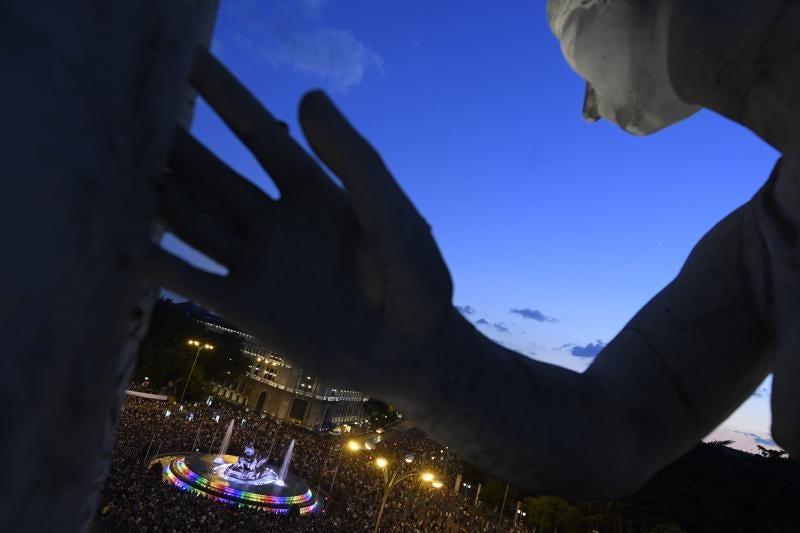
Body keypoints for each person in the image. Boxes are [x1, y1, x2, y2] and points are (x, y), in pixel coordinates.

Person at [145, 0, 800, 497]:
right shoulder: (778, 226)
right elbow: (617, 432)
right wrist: (431, 368)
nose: (590, 106)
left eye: (568, 32)